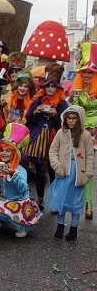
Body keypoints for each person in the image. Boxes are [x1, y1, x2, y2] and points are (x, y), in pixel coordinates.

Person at [0, 123, 41, 238]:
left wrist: (13, 175)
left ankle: (20, 226)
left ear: (14, 153)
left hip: (19, 202)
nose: (4, 153)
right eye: (2, 150)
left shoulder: (20, 170)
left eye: (8, 151)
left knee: (15, 221)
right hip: (5, 199)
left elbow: (23, 190)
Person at [24, 63, 68, 209]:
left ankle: (54, 200)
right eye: (47, 86)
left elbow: (67, 123)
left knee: (53, 170)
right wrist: (35, 112)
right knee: (39, 171)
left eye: (53, 86)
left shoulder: (62, 103)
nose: (50, 89)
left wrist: (57, 116)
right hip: (37, 138)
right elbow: (29, 120)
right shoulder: (38, 100)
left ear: (58, 88)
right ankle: (41, 199)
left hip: (54, 138)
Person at [47, 105, 94, 241]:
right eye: (69, 118)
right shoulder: (61, 133)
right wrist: (57, 166)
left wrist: (88, 174)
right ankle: (60, 226)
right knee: (61, 200)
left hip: (78, 174)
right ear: (65, 119)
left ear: (79, 119)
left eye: (74, 118)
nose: (71, 121)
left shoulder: (85, 135)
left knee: (76, 202)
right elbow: (53, 151)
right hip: (63, 172)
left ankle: (73, 229)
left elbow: (90, 156)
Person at [71, 42, 97, 219]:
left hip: (96, 130)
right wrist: (74, 98)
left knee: (90, 165)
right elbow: (74, 112)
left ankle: (88, 203)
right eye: (84, 71)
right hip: (82, 131)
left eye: (91, 72)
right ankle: (74, 202)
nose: (87, 74)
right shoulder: (78, 89)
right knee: (78, 166)